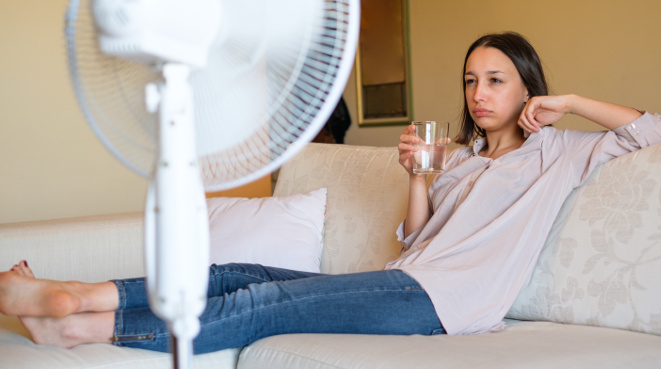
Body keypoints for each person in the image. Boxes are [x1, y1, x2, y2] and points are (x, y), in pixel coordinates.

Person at [1, 32, 660, 352]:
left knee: (265, 301)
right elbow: (414, 240)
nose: (478, 93)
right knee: (231, 271)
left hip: (440, 304)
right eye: (469, 81)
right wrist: (419, 177)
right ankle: (78, 299)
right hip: (403, 278)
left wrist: (569, 102)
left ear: (524, 87)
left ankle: (79, 317)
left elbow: (647, 129)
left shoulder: (561, 153)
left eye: (494, 79)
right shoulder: (458, 160)